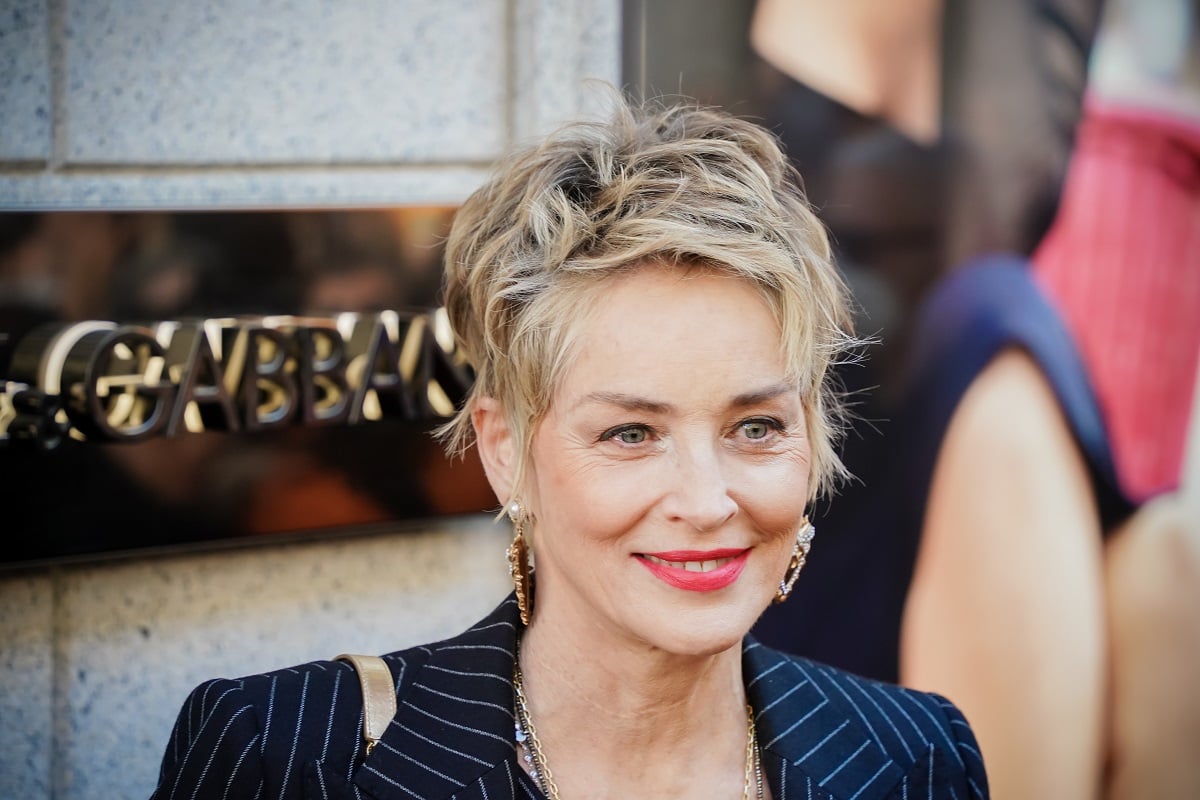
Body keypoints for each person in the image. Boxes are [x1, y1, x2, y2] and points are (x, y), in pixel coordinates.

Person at [149, 96, 988, 799]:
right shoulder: (288, 756)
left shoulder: (914, 756)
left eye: (755, 428)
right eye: (631, 433)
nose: (705, 500)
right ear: (505, 451)